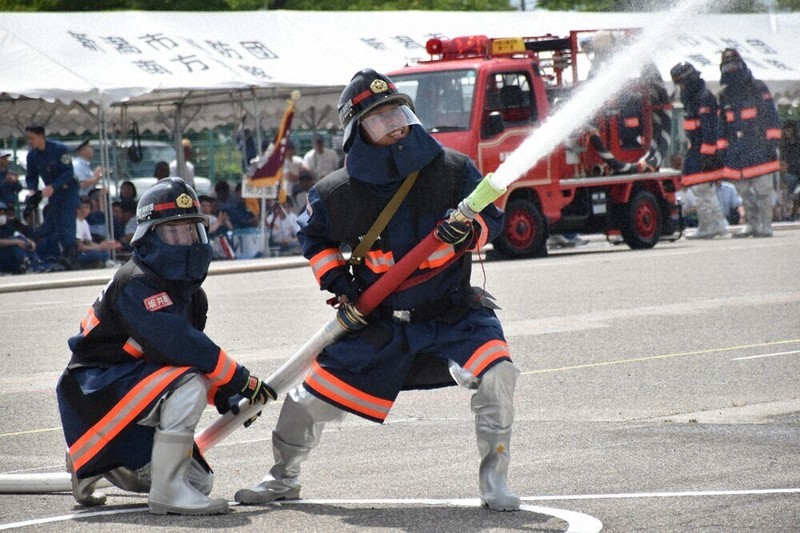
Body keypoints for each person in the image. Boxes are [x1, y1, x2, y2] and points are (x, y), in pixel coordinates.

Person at [235, 68, 521, 512]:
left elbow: (492, 220)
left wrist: (468, 234)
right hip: (378, 324)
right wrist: (338, 282)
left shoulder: (451, 168)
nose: (394, 121)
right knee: (308, 401)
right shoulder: (334, 193)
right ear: (357, 129)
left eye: (397, 109)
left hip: (453, 315)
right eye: (380, 115)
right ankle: (281, 477)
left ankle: (495, 482)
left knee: (498, 372)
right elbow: (314, 240)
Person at [56, 178, 273, 515]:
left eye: (191, 231)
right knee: (189, 383)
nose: (186, 241)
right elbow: (182, 345)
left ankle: (95, 460)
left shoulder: (188, 294)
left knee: (200, 483)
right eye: (174, 232)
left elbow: (172, 361)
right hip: (92, 393)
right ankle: (162, 490)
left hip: (121, 393)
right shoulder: (137, 283)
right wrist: (239, 379)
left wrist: (228, 396)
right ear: (151, 236)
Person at [717, 48, 782, 238]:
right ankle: (752, 225)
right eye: (727, 66)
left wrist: (772, 142)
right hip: (737, 151)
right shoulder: (725, 95)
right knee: (744, 191)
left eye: (735, 65)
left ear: (742, 64)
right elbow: (722, 126)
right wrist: (722, 149)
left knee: (763, 190)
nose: (732, 69)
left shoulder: (758, 87)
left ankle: (766, 226)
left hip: (759, 146)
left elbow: (771, 116)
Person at [670, 62, 727, 239]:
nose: (681, 87)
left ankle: (709, 226)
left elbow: (710, 129)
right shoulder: (695, 98)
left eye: (682, 83)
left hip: (703, 151)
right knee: (704, 190)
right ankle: (717, 225)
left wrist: (707, 155)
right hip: (698, 149)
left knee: (702, 190)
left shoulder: (703, 98)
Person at [24, 124, 81, 268]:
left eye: (32, 138)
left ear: (41, 136)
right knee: (57, 222)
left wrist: (53, 186)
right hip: (53, 194)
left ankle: (71, 255)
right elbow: (31, 175)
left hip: (67, 190)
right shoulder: (32, 155)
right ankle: (62, 253)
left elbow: (68, 172)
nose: (30, 141)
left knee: (67, 221)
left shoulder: (60, 149)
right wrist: (32, 189)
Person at [75, 197, 120, 269]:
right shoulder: (76, 222)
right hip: (76, 254)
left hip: (85, 252)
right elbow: (80, 247)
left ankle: (108, 263)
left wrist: (103, 246)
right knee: (96, 254)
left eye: (88, 207)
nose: (85, 210)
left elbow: (90, 243)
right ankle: (107, 264)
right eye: (83, 207)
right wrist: (98, 248)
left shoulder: (84, 222)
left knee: (103, 251)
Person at [0, 200, 37, 274]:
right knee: (15, 245)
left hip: (9, 259)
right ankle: (27, 262)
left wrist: (29, 242)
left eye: (3, 214)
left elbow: (19, 236)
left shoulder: (8, 228)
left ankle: (34, 261)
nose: (2, 216)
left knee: (21, 241)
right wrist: (15, 242)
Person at [779, 120, 800, 221]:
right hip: (789, 172)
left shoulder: (798, 142)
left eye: (790, 129)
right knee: (789, 195)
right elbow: (782, 160)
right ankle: (789, 215)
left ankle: (796, 213)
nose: (788, 132)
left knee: (796, 194)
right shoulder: (783, 144)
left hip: (797, 170)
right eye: (786, 130)